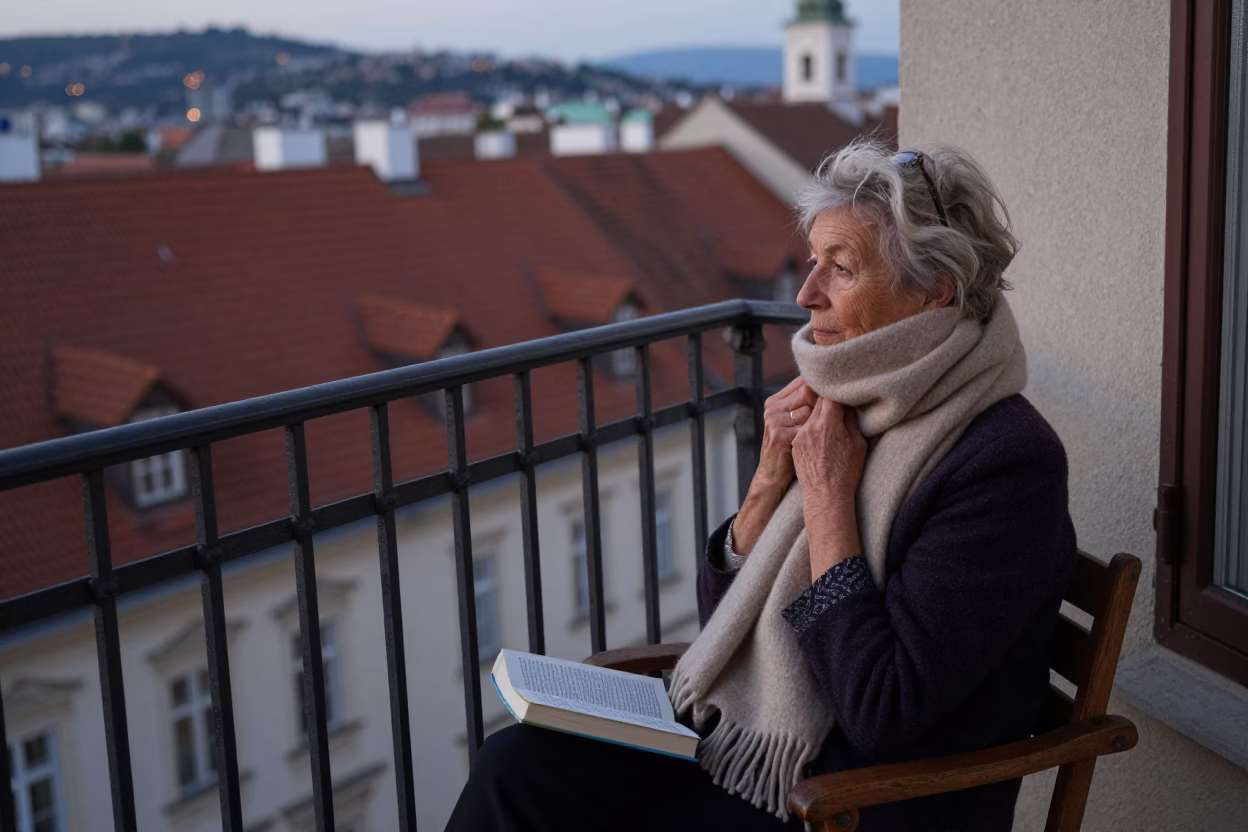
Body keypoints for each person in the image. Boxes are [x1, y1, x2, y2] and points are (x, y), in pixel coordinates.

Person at [445, 138, 1076, 832]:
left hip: (862, 795)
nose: (806, 294)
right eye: (813, 264)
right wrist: (770, 483)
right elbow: (729, 618)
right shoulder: (857, 401)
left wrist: (830, 500)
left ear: (934, 288)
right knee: (515, 766)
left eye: (840, 269)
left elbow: (882, 708)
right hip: (765, 742)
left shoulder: (1005, 461)